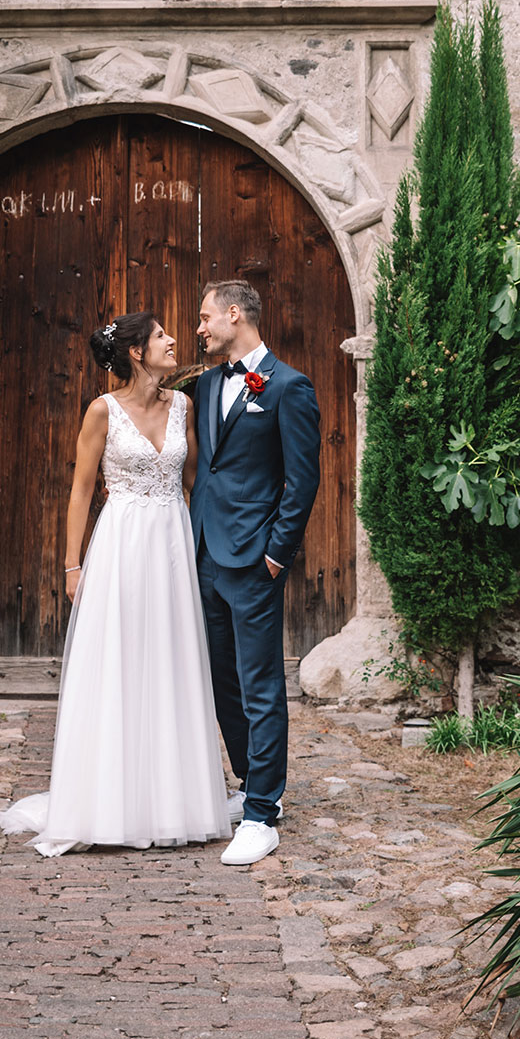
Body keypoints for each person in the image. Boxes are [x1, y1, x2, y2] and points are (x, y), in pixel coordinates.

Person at [0, 313, 232, 857]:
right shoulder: (102, 411)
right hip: (121, 545)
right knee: (119, 662)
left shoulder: (185, 408)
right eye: (160, 337)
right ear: (135, 353)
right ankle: (107, 800)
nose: (173, 341)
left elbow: (195, 482)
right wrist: (71, 565)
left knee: (170, 662)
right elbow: (80, 492)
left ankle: (175, 801)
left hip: (170, 545)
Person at [191, 279, 320, 866]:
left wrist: (277, 552)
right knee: (221, 680)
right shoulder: (207, 383)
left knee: (260, 684)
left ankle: (263, 813)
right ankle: (248, 782)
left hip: (254, 559)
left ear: (234, 315)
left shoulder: (288, 388)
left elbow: (303, 479)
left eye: (205, 317)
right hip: (204, 557)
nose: (199, 328)